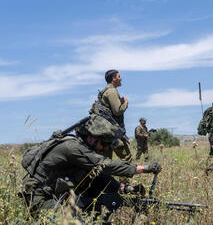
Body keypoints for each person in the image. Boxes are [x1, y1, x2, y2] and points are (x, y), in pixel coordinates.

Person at [21, 115, 161, 216]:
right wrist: (144, 168)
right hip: (40, 198)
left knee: (93, 210)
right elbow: (104, 165)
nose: (106, 149)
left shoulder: (82, 148)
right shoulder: (72, 148)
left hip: (59, 196)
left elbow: (97, 176)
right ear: (91, 138)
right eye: (104, 144)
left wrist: (124, 188)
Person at [91, 69, 132, 162]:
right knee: (126, 158)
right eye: (119, 76)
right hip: (112, 132)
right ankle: (124, 176)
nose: (121, 79)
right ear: (113, 79)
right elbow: (117, 111)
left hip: (105, 131)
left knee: (105, 161)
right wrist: (126, 102)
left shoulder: (106, 91)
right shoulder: (112, 91)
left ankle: (103, 177)